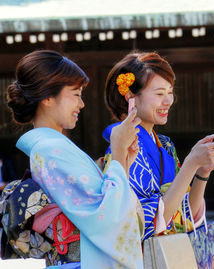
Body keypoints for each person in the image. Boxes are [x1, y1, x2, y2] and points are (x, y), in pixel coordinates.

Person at [6, 50, 144, 268]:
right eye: (76, 94)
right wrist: (117, 151)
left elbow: (107, 205)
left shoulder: (53, 147)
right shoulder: (50, 150)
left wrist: (123, 160)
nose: (82, 104)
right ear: (47, 97)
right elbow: (106, 217)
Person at [103, 51, 214, 241]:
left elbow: (185, 216)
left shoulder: (166, 145)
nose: (169, 100)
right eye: (160, 93)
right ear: (131, 97)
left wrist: (202, 171)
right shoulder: (123, 146)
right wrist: (190, 164)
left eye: (170, 92)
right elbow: (148, 222)